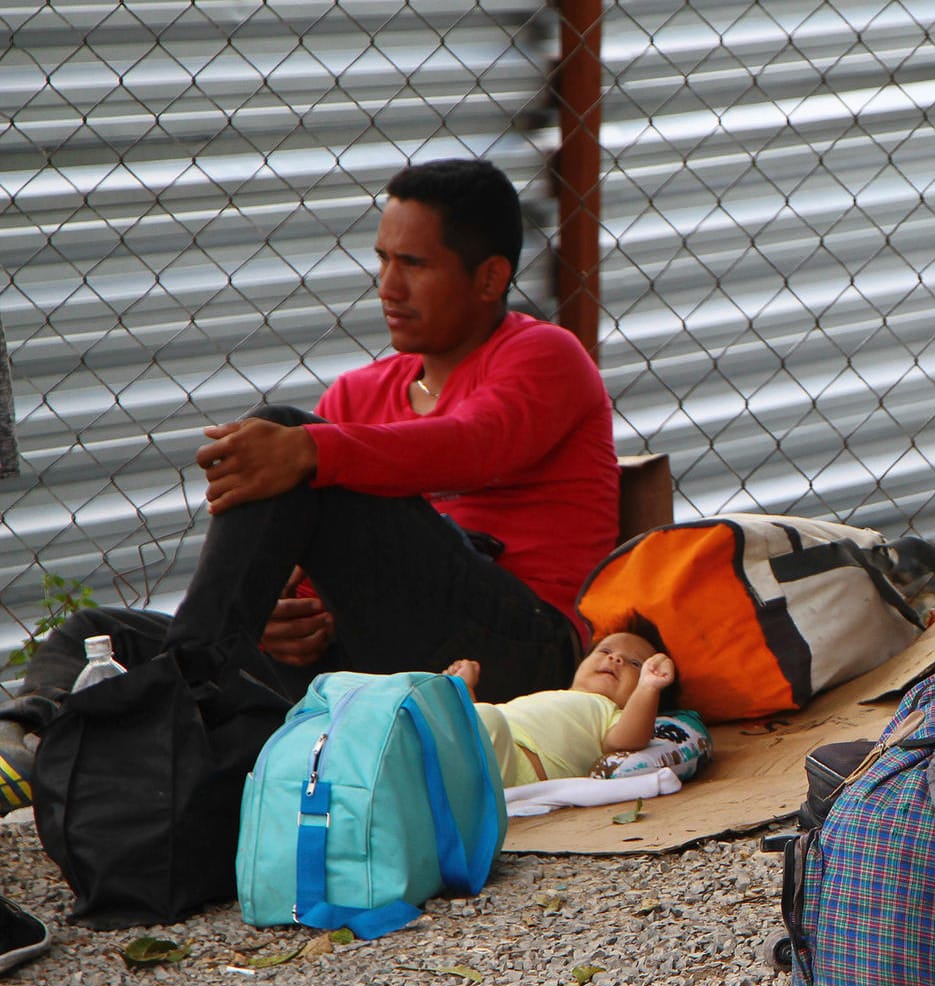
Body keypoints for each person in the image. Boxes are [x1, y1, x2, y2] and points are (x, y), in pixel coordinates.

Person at [156, 157, 618, 704]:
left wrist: (310, 445)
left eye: (414, 264)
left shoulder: (544, 354)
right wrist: (280, 620)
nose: (388, 287)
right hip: (376, 658)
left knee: (282, 431)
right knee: (95, 636)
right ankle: (67, 727)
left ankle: (180, 696)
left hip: (522, 652)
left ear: (490, 277)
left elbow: (473, 444)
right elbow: (310, 558)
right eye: (382, 260)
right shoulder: (354, 396)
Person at [448, 627, 703, 790]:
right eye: (605, 651)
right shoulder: (552, 696)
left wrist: (649, 688)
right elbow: (472, 729)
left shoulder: (611, 712)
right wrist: (465, 688)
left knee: (487, 719)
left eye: (635, 664)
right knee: (431, 694)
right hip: (481, 747)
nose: (615, 659)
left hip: (516, 770)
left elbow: (628, 740)